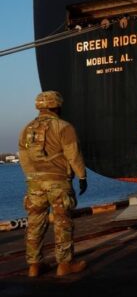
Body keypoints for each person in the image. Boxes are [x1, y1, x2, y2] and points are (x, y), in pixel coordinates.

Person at [18, 91, 88, 278]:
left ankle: (34, 266)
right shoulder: (64, 127)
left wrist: (32, 177)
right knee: (62, 222)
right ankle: (64, 265)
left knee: (34, 223)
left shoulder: (26, 129)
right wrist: (82, 176)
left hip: (35, 184)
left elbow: (23, 158)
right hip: (58, 183)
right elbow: (73, 155)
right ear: (57, 106)